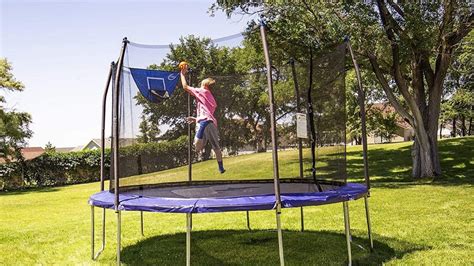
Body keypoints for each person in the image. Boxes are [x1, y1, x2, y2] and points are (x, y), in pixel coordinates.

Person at [179, 62, 225, 173]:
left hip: (204, 122)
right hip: (211, 122)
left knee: (197, 147)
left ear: (205, 85)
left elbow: (185, 87)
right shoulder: (212, 99)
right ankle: (220, 167)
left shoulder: (202, 91)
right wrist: (195, 119)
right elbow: (207, 112)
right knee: (216, 147)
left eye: (201, 83)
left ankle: (201, 129)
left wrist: (182, 73)